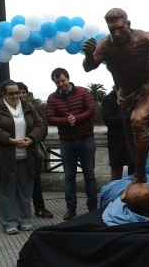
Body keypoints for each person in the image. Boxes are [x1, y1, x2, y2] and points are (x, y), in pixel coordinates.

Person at [82, 8, 149, 187]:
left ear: (128, 25)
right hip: (125, 96)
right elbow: (88, 67)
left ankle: (140, 177)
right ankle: (138, 173)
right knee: (130, 141)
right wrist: (88, 55)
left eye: (120, 28)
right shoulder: (105, 45)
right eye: (112, 30)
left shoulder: (144, 39)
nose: (116, 33)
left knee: (138, 120)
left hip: (148, 89)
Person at [0, 80, 47, 234]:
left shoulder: (28, 107)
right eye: (11, 93)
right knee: (7, 192)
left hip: (27, 157)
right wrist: (10, 140)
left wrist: (31, 138)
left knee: (26, 191)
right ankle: (9, 223)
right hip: (4, 158)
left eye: (17, 92)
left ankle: (24, 220)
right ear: (3, 95)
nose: (16, 95)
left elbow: (41, 126)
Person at [46, 68, 98, 220]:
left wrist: (76, 118)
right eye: (57, 82)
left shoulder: (83, 92)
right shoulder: (52, 98)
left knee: (89, 175)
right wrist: (66, 121)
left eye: (63, 80)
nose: (61, 84)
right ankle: (71, 209)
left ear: (68, 78)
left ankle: (93, 207)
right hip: (67, 141)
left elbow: (91, 110)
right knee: (69, 177)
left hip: (86, 139)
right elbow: (49, 117)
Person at [17, 82, 53, 218]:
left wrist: (32, 139)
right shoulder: (5, 109)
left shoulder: (32, 108)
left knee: (35, 181)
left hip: (31, 150)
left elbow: (43, 127)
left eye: (22, 92)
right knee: (13, 182)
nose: (20, 95)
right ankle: (10, 210)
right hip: (13, 150)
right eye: (17, 92)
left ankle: (40, 208)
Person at [102, 86, 135, 180]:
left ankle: (132, 193)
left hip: (133, 141)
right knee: (116, 176)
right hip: (116, 142)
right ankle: (115, 194)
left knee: (134, 176)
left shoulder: (135, 98)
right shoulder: (108, 99)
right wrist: (126, 115)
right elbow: (108, 121)